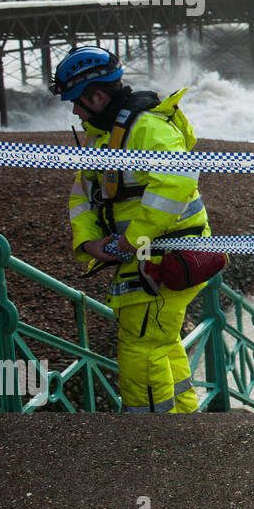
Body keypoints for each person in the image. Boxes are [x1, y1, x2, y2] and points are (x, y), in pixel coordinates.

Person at [50, 46, 211, 413]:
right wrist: (89, 241)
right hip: (144, 258)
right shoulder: (102, 136)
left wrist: (130, 238)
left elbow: (176, 182)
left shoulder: (146, 128)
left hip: (163, 259)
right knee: (161, 341)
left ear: (98, 96)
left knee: (141, 347)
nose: (75, 111)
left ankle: (153, 438)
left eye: (76, 101)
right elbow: (82, 196)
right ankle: (184, 420)